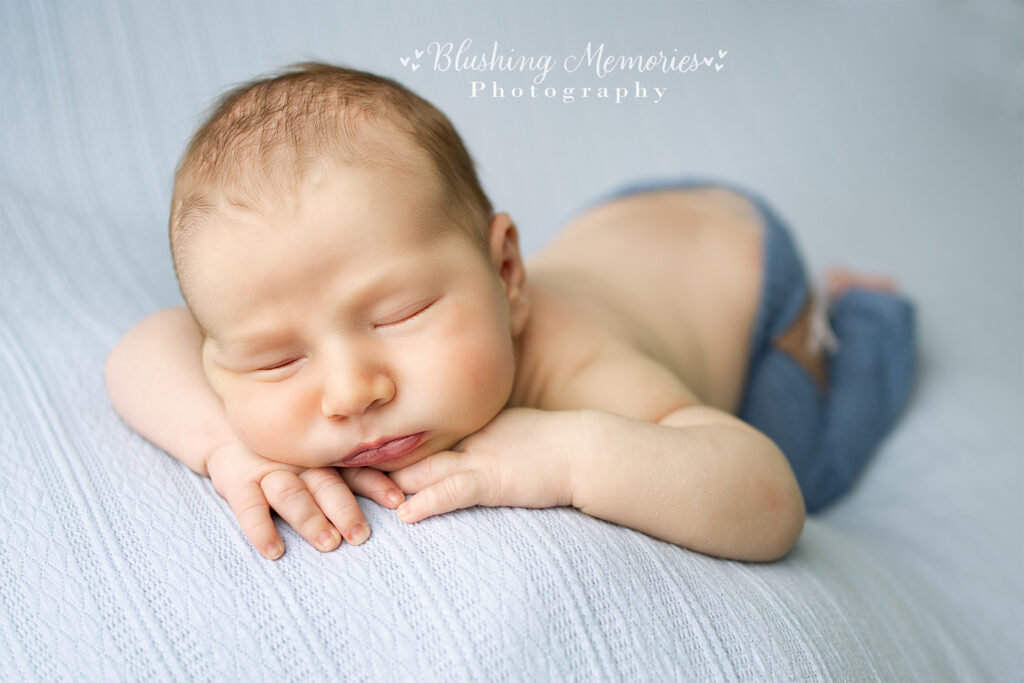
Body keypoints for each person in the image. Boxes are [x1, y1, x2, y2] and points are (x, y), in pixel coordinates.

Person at [104, 62, 916, 563]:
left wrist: (570, 456)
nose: (351, 391)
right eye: (276, 358)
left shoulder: (580, 368)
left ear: (505, 275)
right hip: (627, 233)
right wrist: (223, 449)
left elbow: (769, 500)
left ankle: (869, 317)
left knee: (811, 461)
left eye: (401, 313)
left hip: (745, 274)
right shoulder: (253, 335)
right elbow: (141, 349)